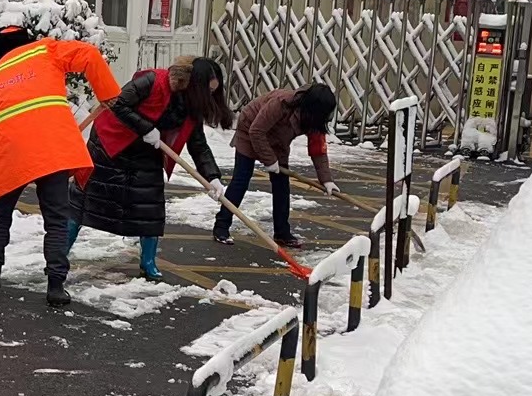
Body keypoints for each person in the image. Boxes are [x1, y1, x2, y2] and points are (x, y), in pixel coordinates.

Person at [0, 25, 121, 306]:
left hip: (10, 151)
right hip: (53, 147)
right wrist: (107, 93)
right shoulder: (46, 50)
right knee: (55, 218)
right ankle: (55, 286)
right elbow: (89, 54)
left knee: (0, 214)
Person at [68, 56, 233, 281]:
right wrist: (145, 127)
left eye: (214, 91)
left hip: (147, 152)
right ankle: (59, 254)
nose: (211, 96)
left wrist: (212, 177)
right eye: (208, 90)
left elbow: (199, 145)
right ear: (195, 83)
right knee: (85, 202)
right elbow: (118, 103)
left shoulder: (192, 107)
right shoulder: (154, 81)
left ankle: (148, 262)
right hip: (111, 145)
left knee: (150, 208)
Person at [212, 83, 340, 250]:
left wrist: (326, 180)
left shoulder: (313, 117)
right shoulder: (281, 103)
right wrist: (270, 160)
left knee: (281, 186)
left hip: (278, 141)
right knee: (241, 180)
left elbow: (318, 150)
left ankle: (282, 232)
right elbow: (256, 131)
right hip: (250, 130)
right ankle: (221, 226)